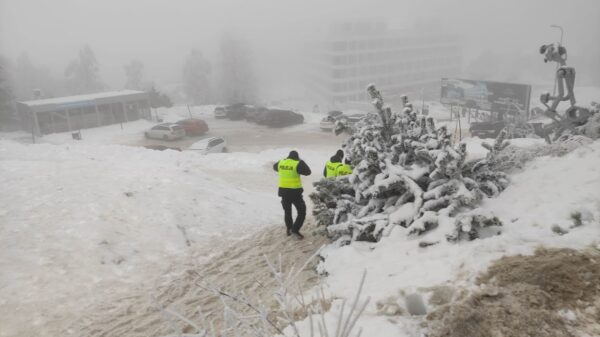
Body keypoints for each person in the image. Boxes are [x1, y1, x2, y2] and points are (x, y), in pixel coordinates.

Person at [273, 150, 311, 239]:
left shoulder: (281, 162)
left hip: (284, 193)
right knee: (302, 212)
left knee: (287, 212)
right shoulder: (298, 163)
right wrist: (301, 161)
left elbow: (274, 167)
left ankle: (289, 229)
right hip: (295, 193)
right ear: (297, 157)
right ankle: (295, 230)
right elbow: (308, 172)